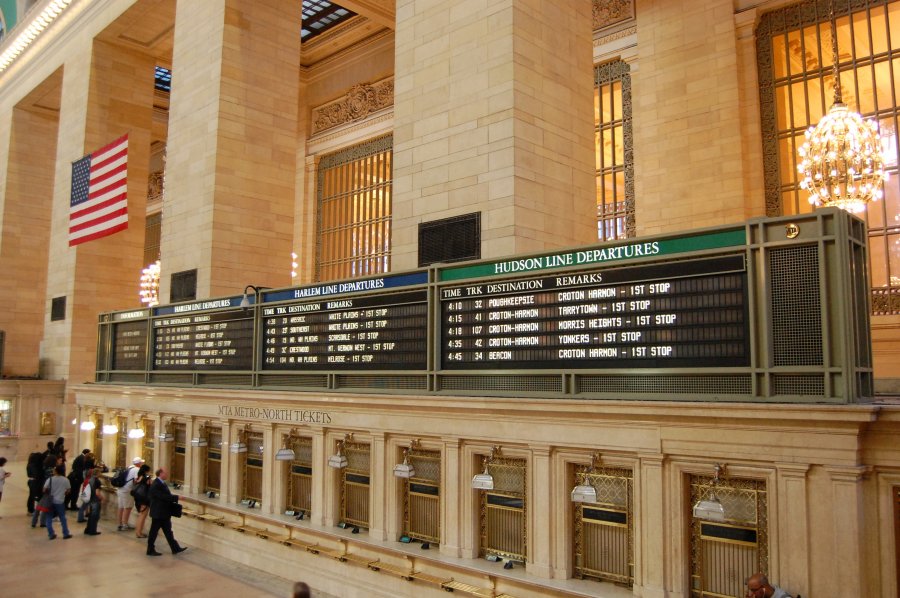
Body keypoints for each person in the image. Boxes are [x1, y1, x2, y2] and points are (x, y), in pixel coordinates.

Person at [147, 467, 186, 556]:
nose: (167, 475)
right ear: (160, 473)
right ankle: (150, 549)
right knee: (153, 532)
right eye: (165, 473)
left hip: (163, 512)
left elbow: (166, 495)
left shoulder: (161, 483)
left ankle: (175, 548)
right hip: (158, 513)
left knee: (168, 531)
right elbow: (163, 497)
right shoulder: (156, 484)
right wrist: (177, 497)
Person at [43, 464, 72, 540]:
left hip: (50, 501)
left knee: (49, 517)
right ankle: (66, 533)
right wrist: (63, 493)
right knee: (62, 518)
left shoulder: (50, 479)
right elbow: (68, 490)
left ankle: (51, 534)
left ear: (55, 471)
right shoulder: (65, 480)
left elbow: (44, 489)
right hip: (60, 501)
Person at [117, 456, 144, 531]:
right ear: (139, 463)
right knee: (127, 507)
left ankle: (120, 523)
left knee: (121, 507)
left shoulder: (129, 467)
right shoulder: (137, 469)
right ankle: (125, 524)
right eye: (141, 462)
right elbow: (135, 481)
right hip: (127, 490)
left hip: (120, 489)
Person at [132, 463, 152, 538]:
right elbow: (151, 485)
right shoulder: (146, 477)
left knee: (140, 515)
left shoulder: (139, 477)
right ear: (147, 471)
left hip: (138, 497)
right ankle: (139, 533)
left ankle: (138, 532)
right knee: (143, 515)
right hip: (144, 498)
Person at [84, 467, 104, 536]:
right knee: (95, 516)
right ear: (98, 473)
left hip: (91, 499)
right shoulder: (97, 481)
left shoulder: (90, 479)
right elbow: (97, 493)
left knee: (91, 515)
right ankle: (92, 531)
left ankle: (87, 529)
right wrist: (102, 498)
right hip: (95, 500)